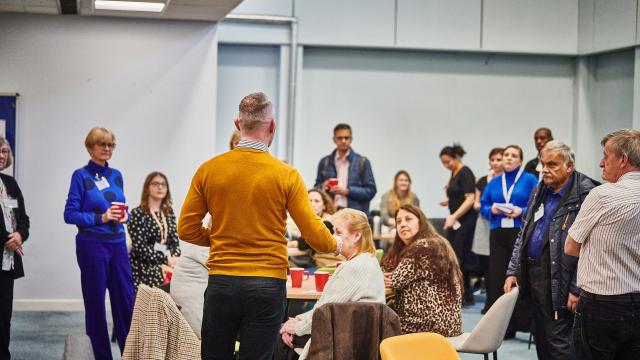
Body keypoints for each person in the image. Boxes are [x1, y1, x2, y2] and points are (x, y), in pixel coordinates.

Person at [177, 92, 337, 360]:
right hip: (267, 283)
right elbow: (315, 235)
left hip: (222, 282)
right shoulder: (286, 175)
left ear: (237, 124)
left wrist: (219, 238)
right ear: (272, 126)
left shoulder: (209, 169)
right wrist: (336, 243)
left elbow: (186, 228)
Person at [504, 141, 598, 360]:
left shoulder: (587, 193)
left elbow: (591, 247)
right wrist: (513, 271)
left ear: (569, 166)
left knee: (560, 345)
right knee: (542, 339)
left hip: (563, 280)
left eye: (552, 165)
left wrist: (577, 287)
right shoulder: (539, 189)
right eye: (543, 164)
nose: (545, 169)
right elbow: (524, 233)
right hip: (534, 276)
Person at [565, 129, 640, 360]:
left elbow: (570, 246)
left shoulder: (602, 195)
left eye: (606, 156)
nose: (601, 163)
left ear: (623, 160)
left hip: (603, 306)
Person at [276, 208, 385, 360]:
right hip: (355, 340)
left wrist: (296, 327)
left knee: (274, 337)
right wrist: (299, 320)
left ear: (357, 235)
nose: (333, 237)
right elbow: (326, 308)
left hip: (338, 341)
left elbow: (323, 312)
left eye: (338, 232)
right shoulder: (369, 261)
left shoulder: (353, 268)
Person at [63, 127, 133, 360]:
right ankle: (102, 357)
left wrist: (126, 216)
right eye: (102, 144)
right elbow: (70, 214)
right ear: (90, 147)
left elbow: (122, 208)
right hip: (92, 245)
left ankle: (130, 354)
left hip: (118, 244)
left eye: (111, 145)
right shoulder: (80, 176)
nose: (107, 149)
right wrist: (100, 218)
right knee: (95, 306)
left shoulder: (117, 175)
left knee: (125, 302)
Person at [480, 145, 537, 338]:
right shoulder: (495, 182)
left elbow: (537, 204)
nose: (509, 158)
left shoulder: (529, 179)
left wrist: (521, 211)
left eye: (514, 156)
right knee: (497, 277)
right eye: (506, 155)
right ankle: (503, 327)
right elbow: (483, 206)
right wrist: (491, 211)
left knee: (518, 276)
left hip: (519, 231)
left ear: (520, 161)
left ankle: (524, 324)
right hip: (497, 232)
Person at [381, 204, 462, 336]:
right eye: (399, 221)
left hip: (427, 325)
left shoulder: (424, 246)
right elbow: (386, 269)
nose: (402, 224)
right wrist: (381, 275)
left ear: (421, 222)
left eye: (408, 219)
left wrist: (380, 277)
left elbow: (394, 280)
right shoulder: (432, 242)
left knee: (373, 324)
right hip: (446, 324)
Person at [0, 138, 29, 360]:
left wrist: (19, 235)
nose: (1, 155)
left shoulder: (10, 183)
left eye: (4, 151)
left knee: (3, 316)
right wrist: (6, 239)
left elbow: (23, 219)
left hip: (7, 262)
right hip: (5, 249)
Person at [128, 172, 181, 291]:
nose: (160, 187)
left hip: (167, 262)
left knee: (184, 275)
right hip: (144, 264)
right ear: (147, 187)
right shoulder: (137, 213)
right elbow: (140, 247)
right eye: (155, 184)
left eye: (163, 184)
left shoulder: (168, 212)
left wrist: (174, 259)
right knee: (160, 276)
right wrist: (165, 260)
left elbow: (174, 242)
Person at [439, 144, 478, 305]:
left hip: (465, 221)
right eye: (443, 163)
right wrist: (449, 202)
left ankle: (463, 295)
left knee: (460, 257)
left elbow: (470, 198)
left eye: (448, 161)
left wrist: (454, 216)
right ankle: (463, 293)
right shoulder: (454, 173)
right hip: (457, 220)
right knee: (456, 256)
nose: (446, 165)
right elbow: (460, 196)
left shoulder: (465, 172)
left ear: (456, 158)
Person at [314, 123, 377, 218]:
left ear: (351, 139)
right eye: (340, 138)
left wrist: (348, 191)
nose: (343, 141)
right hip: (331, 214)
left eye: (346, 138)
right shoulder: (325, 162)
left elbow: (371, 191)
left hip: (355, 216)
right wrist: (324, 186)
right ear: (334, 140)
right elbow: (316, 189)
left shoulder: (362, 162)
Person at [472, 147, 504, 314]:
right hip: (484, 223)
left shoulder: (507, 181)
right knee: (486, 267)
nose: (496, 162)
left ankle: (498, 304)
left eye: (499, 159)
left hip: (501, 224)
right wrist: (490, 207)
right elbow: (476, 203)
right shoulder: (483, 180)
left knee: (498, 267)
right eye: (493, 159)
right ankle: (488, 302)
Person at [288, 189, 343, 268]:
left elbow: (302, 244)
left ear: (324, 205)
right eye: (309, 200)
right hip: (325, 266)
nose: (312, 204)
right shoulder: (312, 221)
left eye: (317, 201)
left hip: (330, 267)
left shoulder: (328, 223)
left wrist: (287, 244)